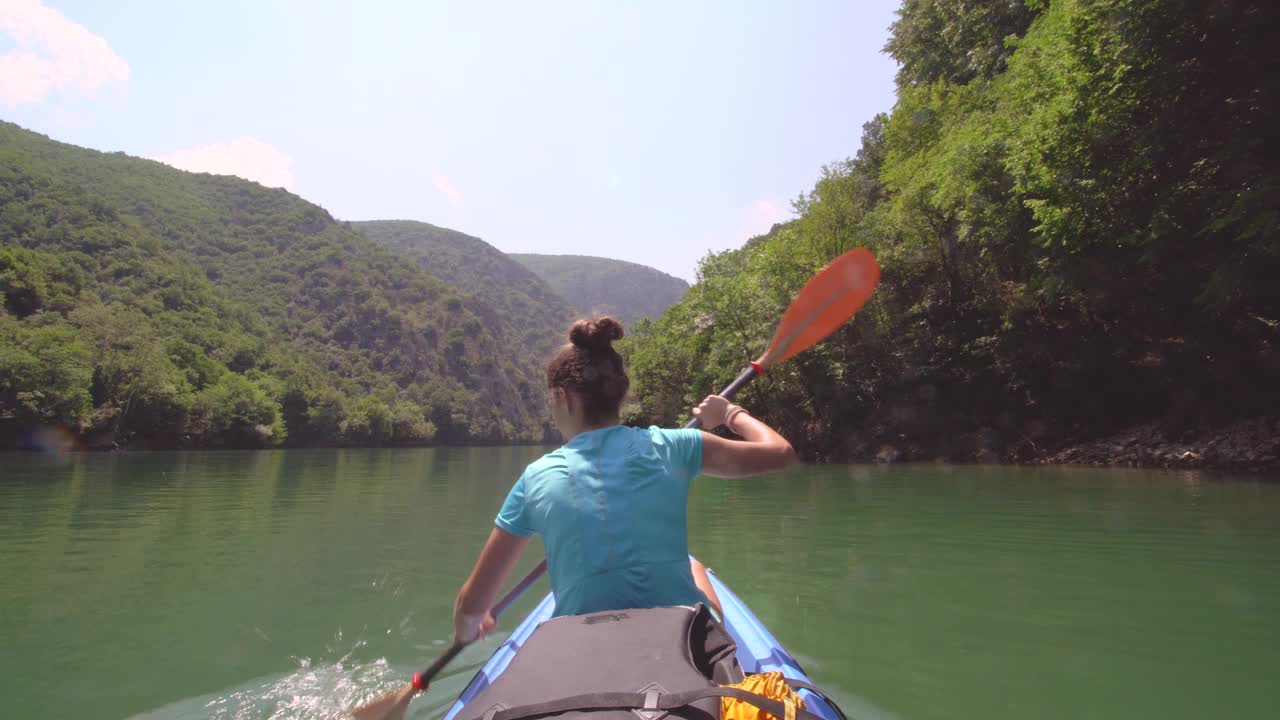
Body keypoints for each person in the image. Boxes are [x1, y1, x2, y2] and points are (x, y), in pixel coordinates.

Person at [452, 317, 797, 644]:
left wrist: (471, 626)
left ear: (563, 397)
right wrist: (729, 414)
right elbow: (781, 453)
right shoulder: (675, 446)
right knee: (692, 565)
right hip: (678, 642)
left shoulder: (535, 478)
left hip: (584, 649)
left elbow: (470, 608)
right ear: (620, 395)